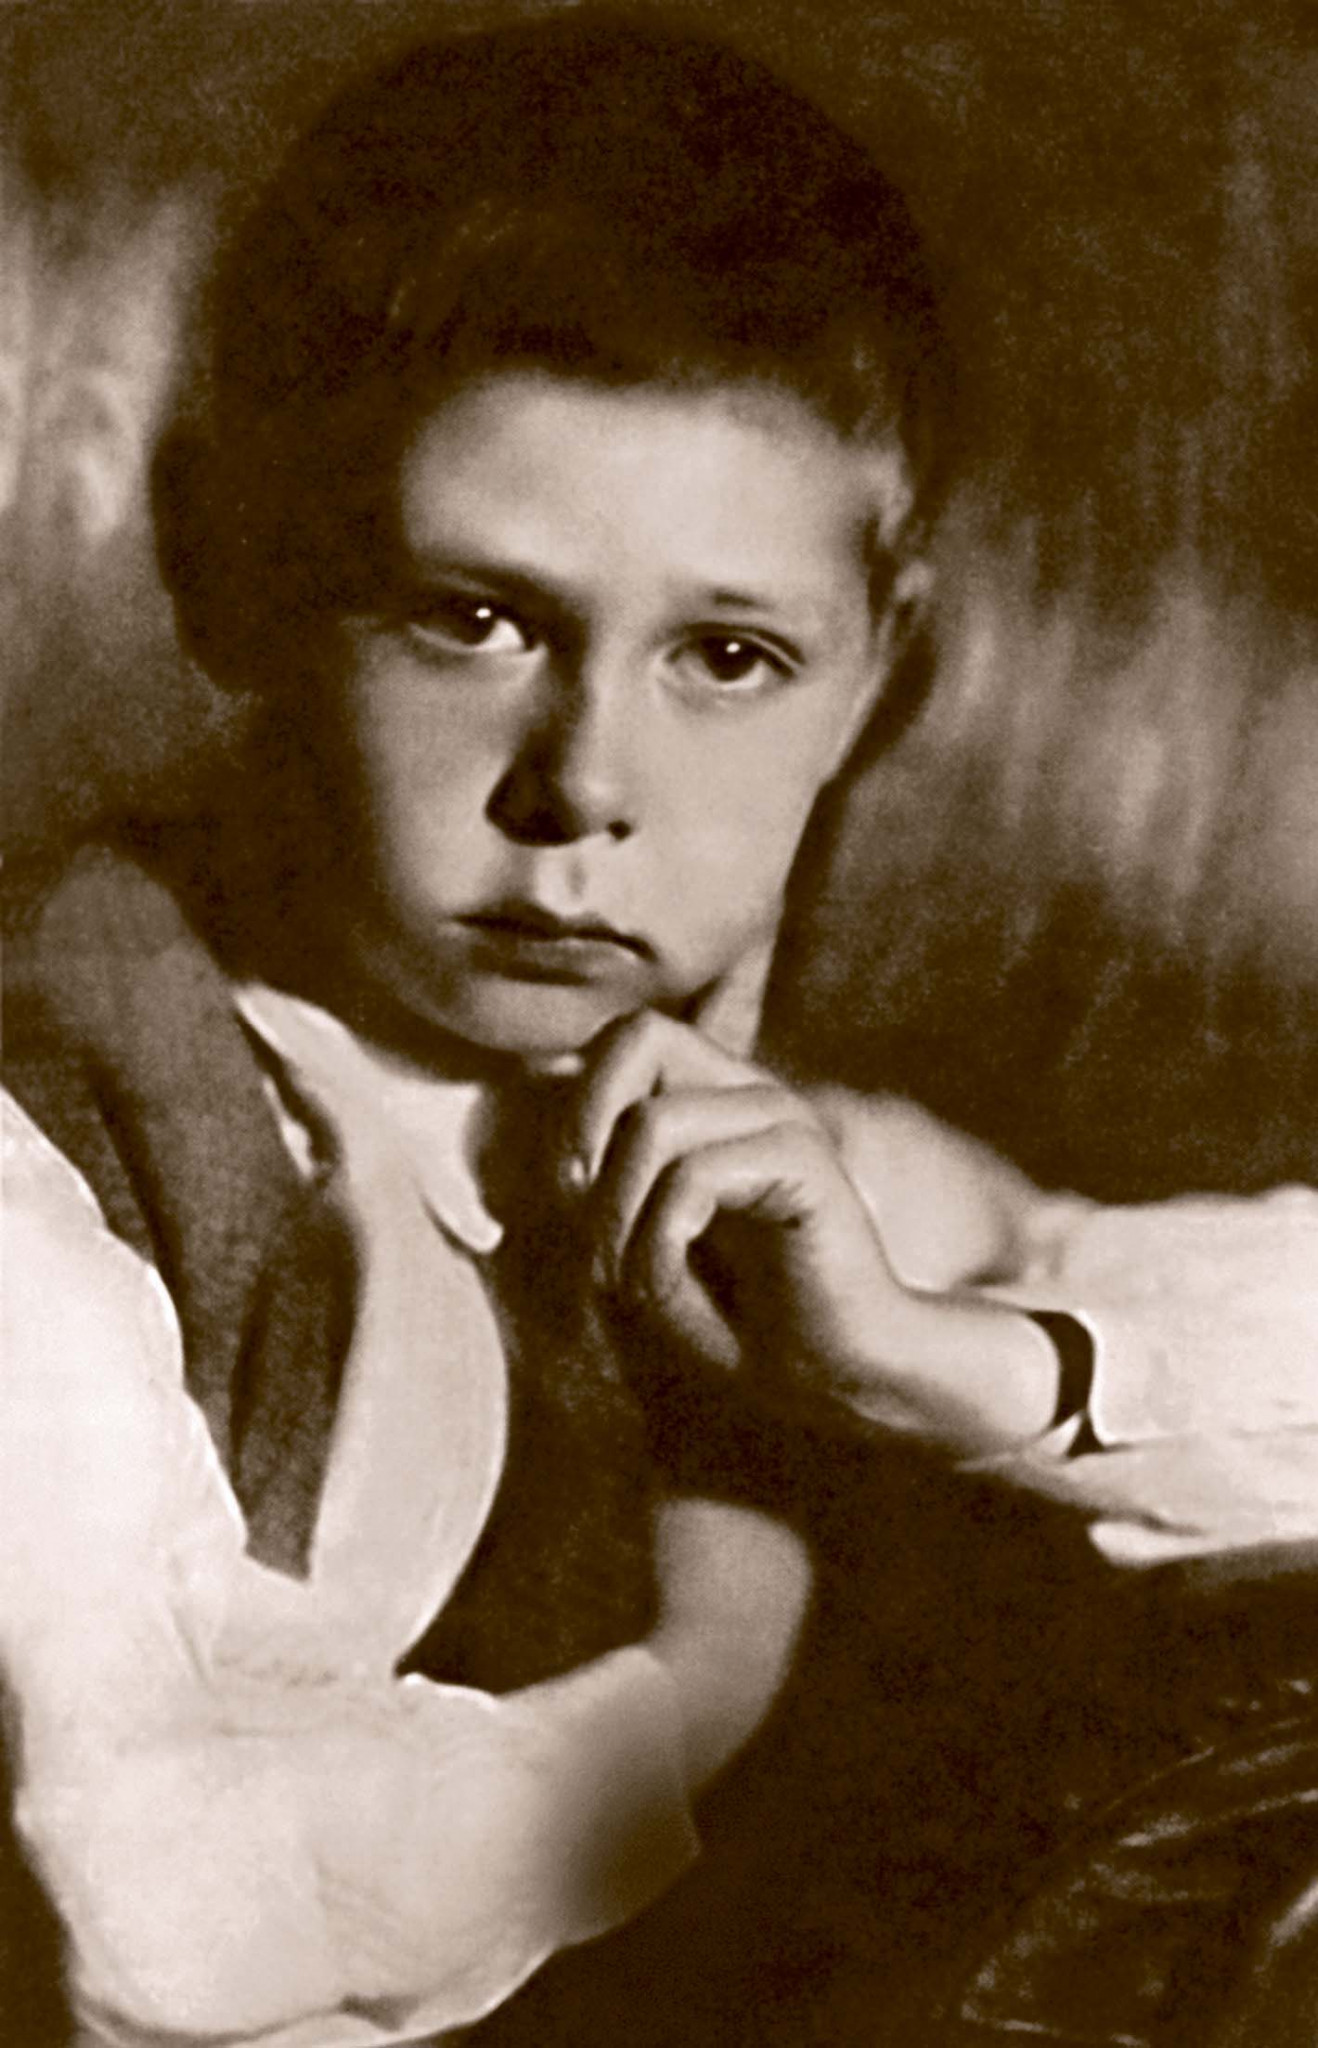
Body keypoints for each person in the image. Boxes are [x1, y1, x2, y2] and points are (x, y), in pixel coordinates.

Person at [4, 11, 1316, 2046]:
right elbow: (148, 1925)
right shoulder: (68, 1137)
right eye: (472, 618)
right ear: (227, 565)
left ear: (880, 681)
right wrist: (709, 1656)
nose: (585, 784)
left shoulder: (741, 1159)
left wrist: (941, 1365)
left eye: (727, 655)